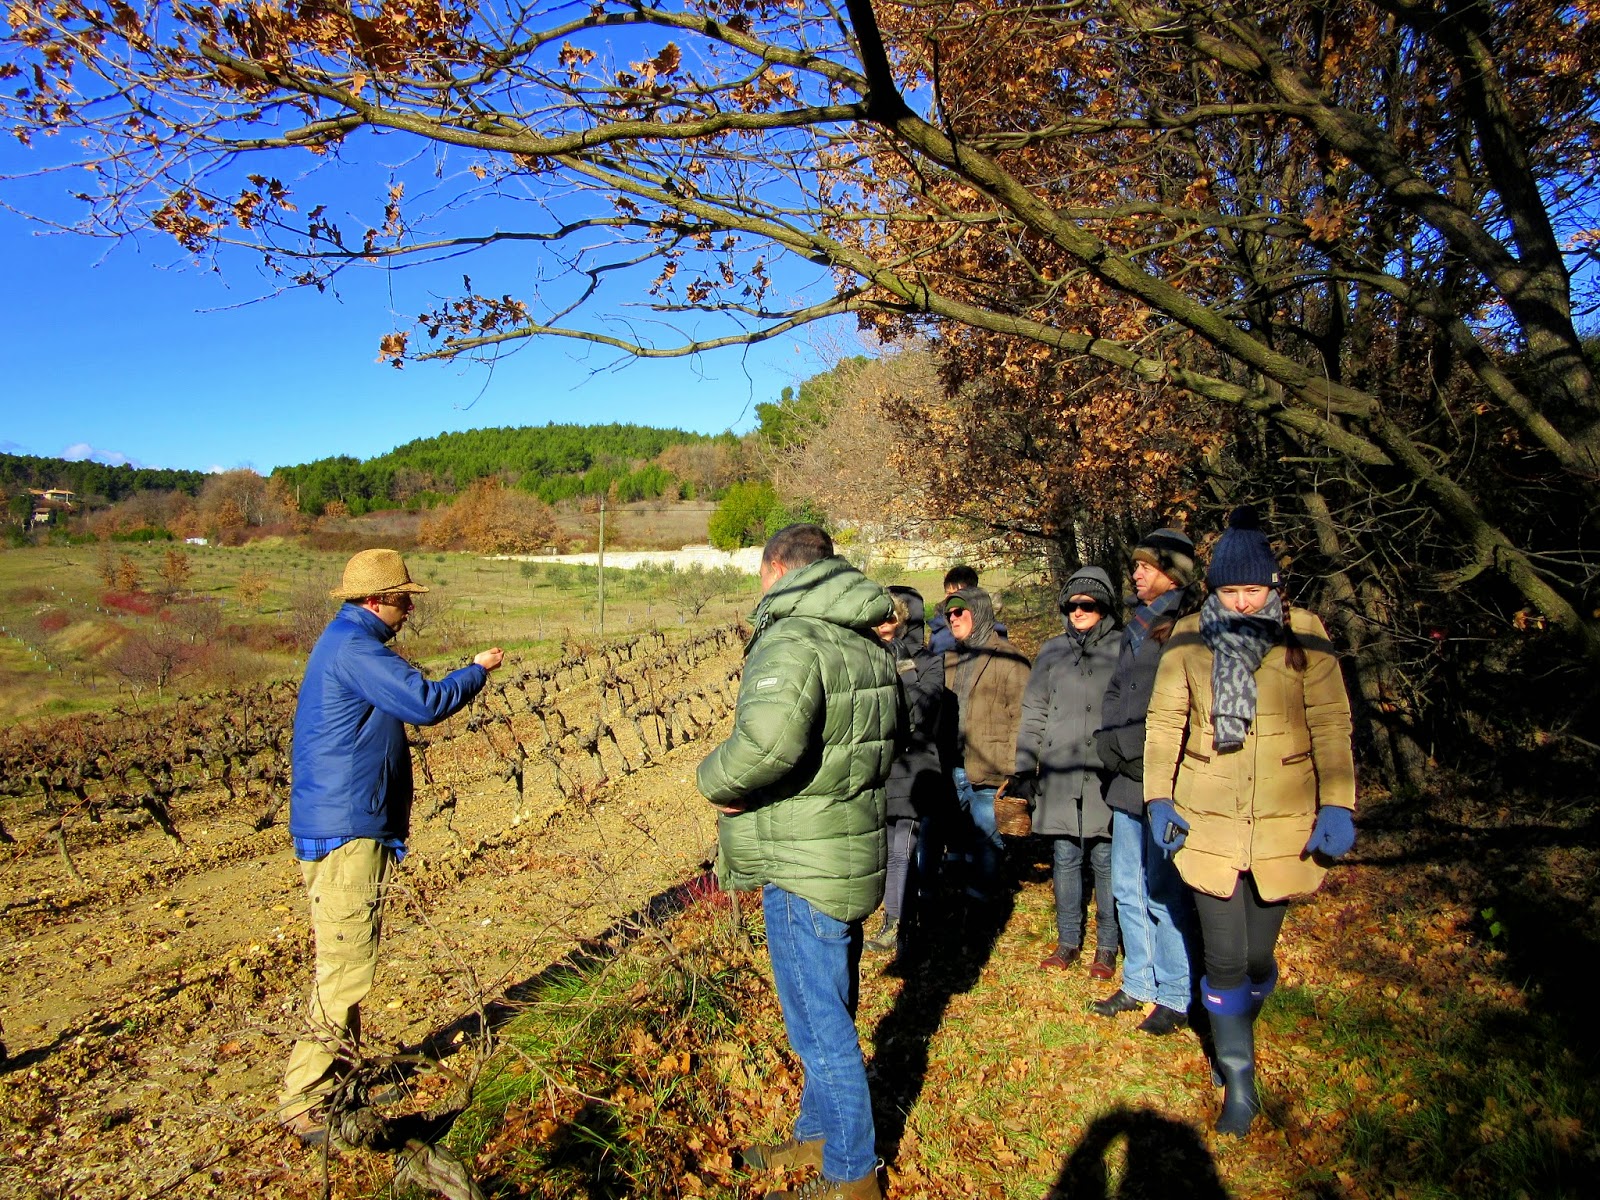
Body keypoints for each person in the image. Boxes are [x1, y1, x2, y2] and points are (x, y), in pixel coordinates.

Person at [697, 524, 900, 1200]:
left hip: (800, 858)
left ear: (778, 568)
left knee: (820, 1027)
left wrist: (714, 783)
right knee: (830, 1006)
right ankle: (818, 1134)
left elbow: (766, 747)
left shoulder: (792, 637)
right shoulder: (863, 643)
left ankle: (852, 1175)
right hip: (846, 849)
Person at [277, 549, 503, 1144]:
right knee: (345, 968)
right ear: (378, 600)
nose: (409, 609)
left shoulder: (347, 642)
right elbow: (426, 703)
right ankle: (304, 1102)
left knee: (348, 961)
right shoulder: (358, 650)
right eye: (405, 599)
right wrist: (476, 670)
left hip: (348, 821)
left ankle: (339, 1082)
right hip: (349, 828)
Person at [1143, 507, 1356, 1135]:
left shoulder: (1305, 635)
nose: (1240, 602)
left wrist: (1339, 802)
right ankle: (1239, 1077)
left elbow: (1332, 724)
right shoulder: (1186, 638)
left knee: (1260, 957)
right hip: (1207, 822)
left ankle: (1244, 1008)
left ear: (1273, 586)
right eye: (1229, 590)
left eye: (1252, 589)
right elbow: (1164, 724)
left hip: (1285, 823)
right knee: (1227, 956)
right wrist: (1160, 798)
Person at [1091, 528, 1200, 1035]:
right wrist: (1107, 741)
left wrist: (1141, 753)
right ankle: (1138, 982)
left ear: (1171, 572)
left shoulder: (1190, 626)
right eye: (1134, 566)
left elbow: (1186, 705)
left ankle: (1177, 992)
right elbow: (1118, 690)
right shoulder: (1136, 626)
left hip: (1166, 782)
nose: (1135, 574)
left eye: (1145, 567)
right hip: (1125, 777)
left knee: (1163, 888)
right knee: (1126, 887)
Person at [1010, 567, 1121, 975]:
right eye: (1072, 604)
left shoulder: (1123, 649)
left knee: (1106, 858)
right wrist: (1024, 766)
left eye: (1087, 604)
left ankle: (1107, 945)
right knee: (1065, 856)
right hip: (1059, 771)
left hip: (1106, 773)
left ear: (1104, 607)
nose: (1078, 611)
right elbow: (1034, 710)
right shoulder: (1052, 651)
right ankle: (1068, 941)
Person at [865, 586, 946, 955]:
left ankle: (897, 925)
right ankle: (898, 920)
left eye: (891, 617)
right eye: (879, 618)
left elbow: (925, 714)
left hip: (916, 768)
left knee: (903, 849)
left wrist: (902, 670)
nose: (885, 625)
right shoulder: (865, 659)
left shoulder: (928, 661)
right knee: (885, 850)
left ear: (903, 620)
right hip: (882, 768)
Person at [942, 586, 1031, 903]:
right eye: (949, 613)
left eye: (959, 611)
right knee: (957, 841)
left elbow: (1023, 718)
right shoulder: (949, 659)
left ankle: (986, 909)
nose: (952, 618)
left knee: (986, 843)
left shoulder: (1009, 659)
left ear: (977, 614)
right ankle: (960, 906)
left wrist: (1016, 770)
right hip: (953, 768)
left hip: (990, 772)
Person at [926, 565, 979, 654]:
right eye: (949, 593)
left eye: (958, 593)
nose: (952, 599)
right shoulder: (938, 629)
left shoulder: (990, 630)